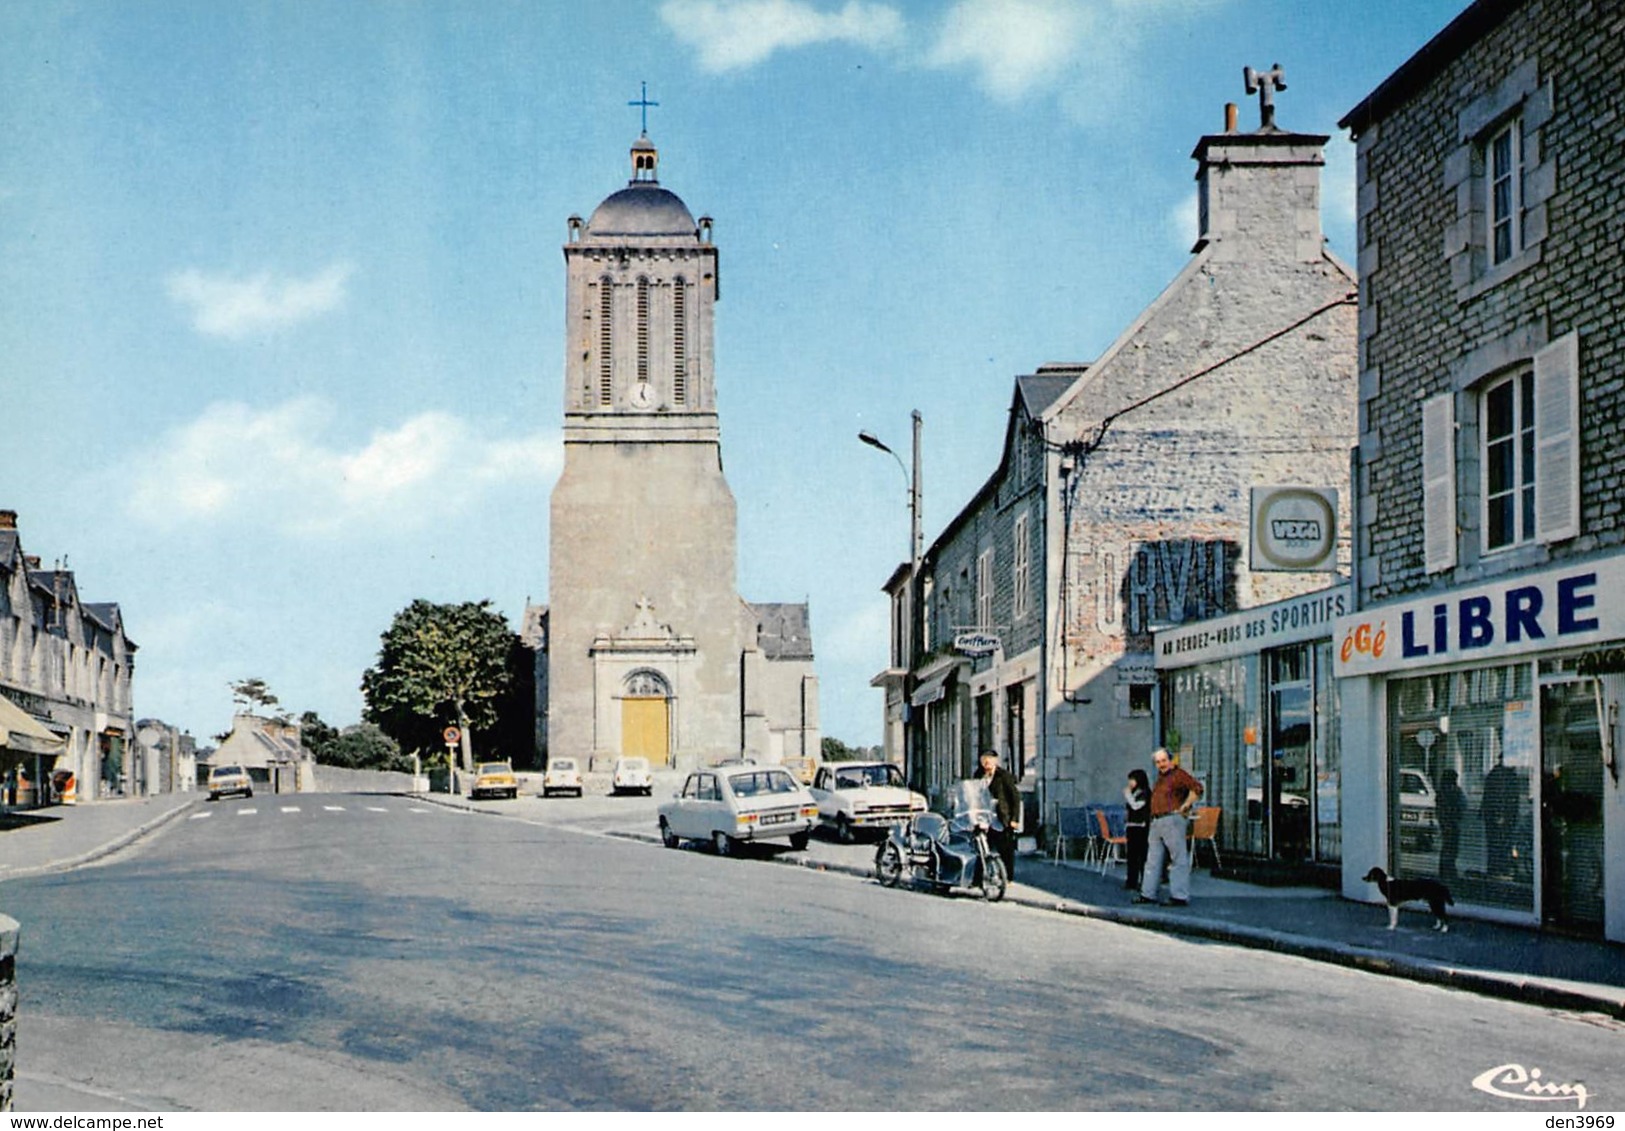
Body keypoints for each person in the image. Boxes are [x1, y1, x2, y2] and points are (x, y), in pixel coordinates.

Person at [1135, 747, 1203, 907]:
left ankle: (1179, 896)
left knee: (1177, 858)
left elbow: (1197, 788)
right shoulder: (1161, 778)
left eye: (1164, 761)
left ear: (1171, 761)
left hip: (1171, 818)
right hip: (1157, 820)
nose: (1161, 764)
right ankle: (1148, 893)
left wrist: (1185, 805)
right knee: (1152, 859)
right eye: (1158, 762)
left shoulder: (1178, 775)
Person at [976, 749, 1021, 883]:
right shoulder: (979, 775)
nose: (986, 762)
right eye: (984, 759)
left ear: (995, 761)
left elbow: (1015, 797)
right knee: (982, 847)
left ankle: (1008, 878)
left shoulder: (1003, 776)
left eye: (989, 759)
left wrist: (1014, 819)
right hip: (984, 818)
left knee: (1005, 849)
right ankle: (981, 877)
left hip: (1001, 817)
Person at [1435, 768, 1467, 881]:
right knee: (1452, 848)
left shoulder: (1441, 792)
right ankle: (1449, 871)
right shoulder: (1454, 791)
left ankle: (1444, 871)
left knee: (1447, 847)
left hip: (1446, 823)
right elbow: (1462, 804)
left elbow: (1439, 810)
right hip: (1452, 822)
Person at [1123, 768, 1151, 892]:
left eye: (1132, 779)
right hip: (1132, 825)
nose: (1130, 782)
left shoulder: (1145, 793)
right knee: (1131, 855)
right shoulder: (1134, 792)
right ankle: (1131, 881)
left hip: (1141, 826)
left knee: (1142, 855)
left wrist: (1127, 795)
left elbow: (1136, 806)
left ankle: (1144, 881)